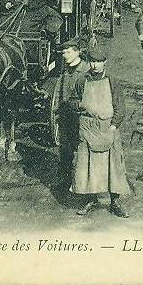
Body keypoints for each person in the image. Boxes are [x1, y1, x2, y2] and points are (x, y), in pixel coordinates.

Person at [70, 43, 130, 217]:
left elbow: (120, 106)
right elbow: (73, 101)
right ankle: (91, 200)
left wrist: (113, 126)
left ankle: (115, 202)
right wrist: (81, 105)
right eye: (92, 61)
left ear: (105, 62)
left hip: (107, 128)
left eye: (99, 61)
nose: (95, 65)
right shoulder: (82, 80)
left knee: (113, 166)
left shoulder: (112, 81)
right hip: (88, 128)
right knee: (88, 166)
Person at [54, 37, 89, 188]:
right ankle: (65, 180)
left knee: (82, 150)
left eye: (68, 52)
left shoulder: (86, 70)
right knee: (65, 149)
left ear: (77, 52)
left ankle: (84, 184)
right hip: (66, 116)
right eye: (63, 52)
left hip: (81, 117)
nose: (64, 55)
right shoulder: (65, 70)